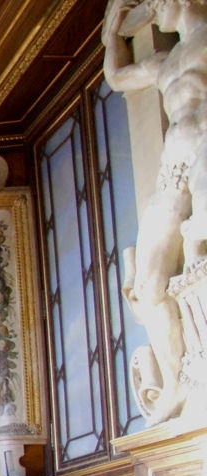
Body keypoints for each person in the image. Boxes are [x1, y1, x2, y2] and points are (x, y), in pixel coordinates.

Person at [102, 0, 207, 421]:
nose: (153, 11)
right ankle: (176, 381)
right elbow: (116, 76)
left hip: (203, 149)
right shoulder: (167, 60)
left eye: (156, 3)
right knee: (147, 285)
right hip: (174, 164)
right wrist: (111, 32)